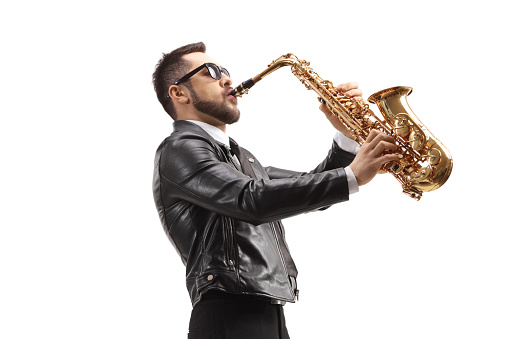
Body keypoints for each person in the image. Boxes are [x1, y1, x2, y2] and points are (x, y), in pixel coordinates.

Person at [152, 42, 400, 339]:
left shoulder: (241, 158)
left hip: (268, 312)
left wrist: (346, 139)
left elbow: (307, 184)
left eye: (226, 71)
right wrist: (352, 175)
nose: (227, 79)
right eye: (211, 73)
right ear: (178, 93)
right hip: (228, 314)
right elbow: (252, 199)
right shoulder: (180, 149)